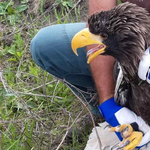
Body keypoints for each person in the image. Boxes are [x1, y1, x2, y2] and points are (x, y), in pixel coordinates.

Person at [30, 0, 150, 149]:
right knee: (46, 45)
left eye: (102, 36)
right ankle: (111, 110)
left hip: (137, 39)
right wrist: (107, 103)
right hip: (133, 39)